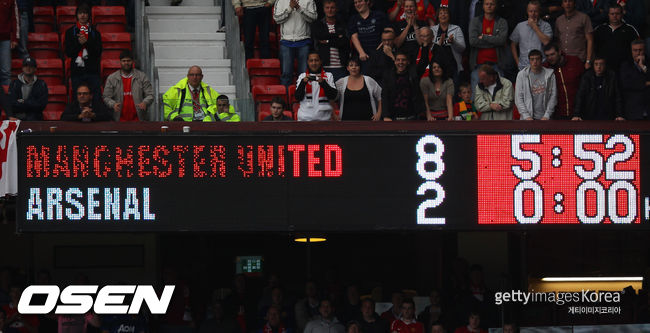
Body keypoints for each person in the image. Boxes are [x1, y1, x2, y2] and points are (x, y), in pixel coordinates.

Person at [468, 0, 508, 95]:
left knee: (499, 96)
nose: (489, 6)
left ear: (496, 6)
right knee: (476, 96)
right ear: (483, 6)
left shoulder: (502, 22)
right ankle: (475, 111)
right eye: (487, 4)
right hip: (478, 64)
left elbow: (502, 41)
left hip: (496, 65)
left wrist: (484, 37)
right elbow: (473, 41)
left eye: (492, 4)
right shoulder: (475, 21)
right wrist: (494, 40)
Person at [273, 0, 317, 86]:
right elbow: (277, 19)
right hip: (286, 41)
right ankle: (286, 98)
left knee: (304, 75)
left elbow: (313, 18)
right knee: (286, 74)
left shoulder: (309, 0)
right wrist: (290, 8)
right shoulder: (280, 1)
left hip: (304, 41)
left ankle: (303, 99)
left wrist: (299, 9)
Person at [64, 3, 103, 101]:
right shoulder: (70, 32)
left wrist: (87, 43)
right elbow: (68, 52)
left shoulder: (95, 33)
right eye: (80, 13)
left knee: (96, 99)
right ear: (77, 15)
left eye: (85, 13)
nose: (82, 15)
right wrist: (79, 44)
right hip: (77, 72)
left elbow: (98, 52)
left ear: (89, 16)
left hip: (92, 71)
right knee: (77, 99)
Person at [103, 50, 154, 122]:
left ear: (132, 61)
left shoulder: (142, 76)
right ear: (120, 62)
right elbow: (106, 97)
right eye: (124, 61)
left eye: (128, 60)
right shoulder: (112, 78)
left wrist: (145, 102)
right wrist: (113, 104)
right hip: (118, 120)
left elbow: (150, 95)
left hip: (139, 120)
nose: (126, 63)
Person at [542, 42, 583, 119]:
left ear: (559, 52)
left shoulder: (574, 61)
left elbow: (584, 88)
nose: (550, 58)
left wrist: (578, 112)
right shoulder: (545, 68)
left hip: (578, 113)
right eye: (547, 56)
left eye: (552, 54)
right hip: (557, 115)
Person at [593, 4, 639, 71]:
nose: (615, 16)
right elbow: (593, 48)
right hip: (604, 68)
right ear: (608, 15)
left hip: (624, 68)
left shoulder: (630, 29)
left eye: (617, 13)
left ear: (622, 14)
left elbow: (638, 48)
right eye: (612, 14)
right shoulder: (600, 29)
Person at [312, 0, 350, 81]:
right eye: (327, 8)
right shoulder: (318, 25)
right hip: (324, 66)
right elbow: (319, 37)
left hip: (341, 67)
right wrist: (336, 36)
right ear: (324, 9)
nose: (330, 10)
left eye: (332, 7)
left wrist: (327, 41)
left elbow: (344, 42)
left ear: (336, 9)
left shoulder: (342, 24)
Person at [514, 49, 556, 120]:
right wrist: (526, 116)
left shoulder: (550, 75)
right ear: (529, 60)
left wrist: (547, 115)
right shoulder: (522, 75)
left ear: (542, 60)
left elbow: (553, 96)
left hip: (545, 118)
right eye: (532, 59)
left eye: (537, 59)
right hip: (527, 119)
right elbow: (518, 98)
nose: (535, 62)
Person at [510, 0, 552, 70]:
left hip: (541, 66)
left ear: (539, 12)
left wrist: (534, 26)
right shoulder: (520, 26)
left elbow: (546, 42)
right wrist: (517, 62)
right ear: (527, 11)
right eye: (530, 11)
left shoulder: (546, 26)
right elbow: (513, 44)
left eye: (535, 11)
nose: (533, 14)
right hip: (523, 66)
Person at [295, 52, 338, 121]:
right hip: (304, 119)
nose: (314, 63)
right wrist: (303, 83)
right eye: (311, 61)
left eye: (316, 60)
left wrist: (323, 83)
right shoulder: (302, 76)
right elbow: (298, 97)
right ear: (307, 62)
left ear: (320, 61)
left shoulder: (328, 76)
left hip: (325, 119)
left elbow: (333, 96)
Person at [381, 52, 424, 120]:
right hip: (393, 118)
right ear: (394, 62)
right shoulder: (388, 76)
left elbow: (423, 62)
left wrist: (424, 45)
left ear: (408, 62)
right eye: (398, 60)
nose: (400, 62)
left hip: (412, 117)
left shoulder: (413, 75)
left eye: (403, 60)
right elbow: (385, 96)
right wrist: (386, 116)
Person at [348, 0, 388, 70]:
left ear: (367, 2)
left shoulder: (379, 15)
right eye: (355, 2)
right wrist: (361, 53)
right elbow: (354, 37)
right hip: (363, 57)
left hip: (380, 55)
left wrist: (379, 50)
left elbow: (388, 32)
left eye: (360, 1)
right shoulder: (353, 19)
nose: (357, 4)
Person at [554, 0, 593, 69]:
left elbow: (590, 40)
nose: (568, 4)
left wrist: (588, 60)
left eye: (570, 1)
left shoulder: (584, 18)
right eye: (565, 1)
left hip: (579, 59)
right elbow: (557, 40)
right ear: (562, 4)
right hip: (563, 60)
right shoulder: (559, 20)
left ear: (574, 3)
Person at [618, 39, 650, 120]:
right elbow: (626, 84)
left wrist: (643, 67)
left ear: (644, 50)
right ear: (631, 51)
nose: (638, 53)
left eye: (640, 50)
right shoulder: (625, 65)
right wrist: (645, 83)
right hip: (633, 109)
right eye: (635, 50)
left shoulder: (648, 64)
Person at [431, 6, 466, 79]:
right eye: (440, 13)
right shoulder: (432, 30)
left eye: (445, 13)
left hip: (453, 66)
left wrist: (453, 42)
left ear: (449, 16)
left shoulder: (456, 29)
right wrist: (439, 43)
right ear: (437, 16)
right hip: (437, 67)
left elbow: (462, 48)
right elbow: (429, 49)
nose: (443, 15)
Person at [0, 0, 18, 86]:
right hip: (5, 39)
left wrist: (14, 38)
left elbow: (14, 18)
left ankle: (6, 98)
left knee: (6, 73)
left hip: (5, 39)